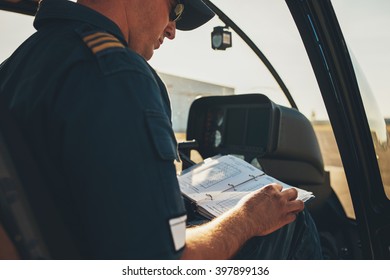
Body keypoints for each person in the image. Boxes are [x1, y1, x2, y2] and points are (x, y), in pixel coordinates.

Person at [0, 0, 322, 259]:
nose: (172, 31)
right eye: (175, 8)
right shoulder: (118, 75)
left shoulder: (17, 66)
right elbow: (160, 263)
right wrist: (247, 218)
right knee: (291, 220)